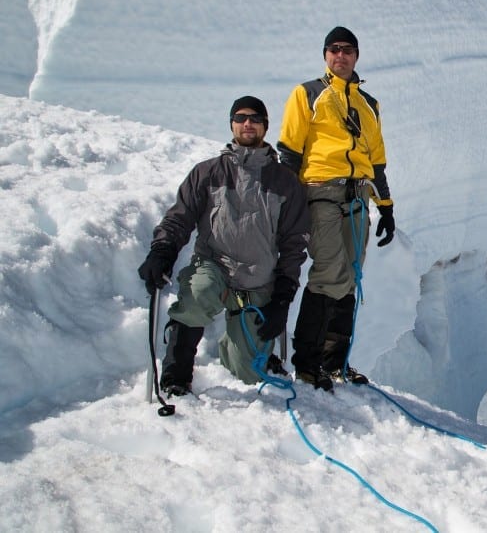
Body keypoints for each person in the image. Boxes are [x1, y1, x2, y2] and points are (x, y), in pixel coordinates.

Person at [138, 96, 310, 395]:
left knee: (249, 372)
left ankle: (238, 348)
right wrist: (162, 250)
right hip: (214, 267)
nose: (248, 123)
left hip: (259, 280)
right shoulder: (207, 173)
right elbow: (180, 217)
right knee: (197, 294)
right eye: (241, 117)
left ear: (265, 127)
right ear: (231, 123)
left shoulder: (285, 182)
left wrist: (283, 294)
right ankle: (176, 375)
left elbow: (294, 242)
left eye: (255, 118)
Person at [277, 26, 396, 392]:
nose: (340, 55)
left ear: (356, 56)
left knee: (352, 275)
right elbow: (290, 150)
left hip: (359, 194)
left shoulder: (369, 104)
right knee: (331, 271)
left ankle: (335, 362)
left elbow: (376, 161)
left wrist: (386, 207)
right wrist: (285, 204)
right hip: (321, 190)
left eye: (347, 50)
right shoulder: (308, 93)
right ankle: (307, 362)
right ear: (325, 55)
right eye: (333, 49)